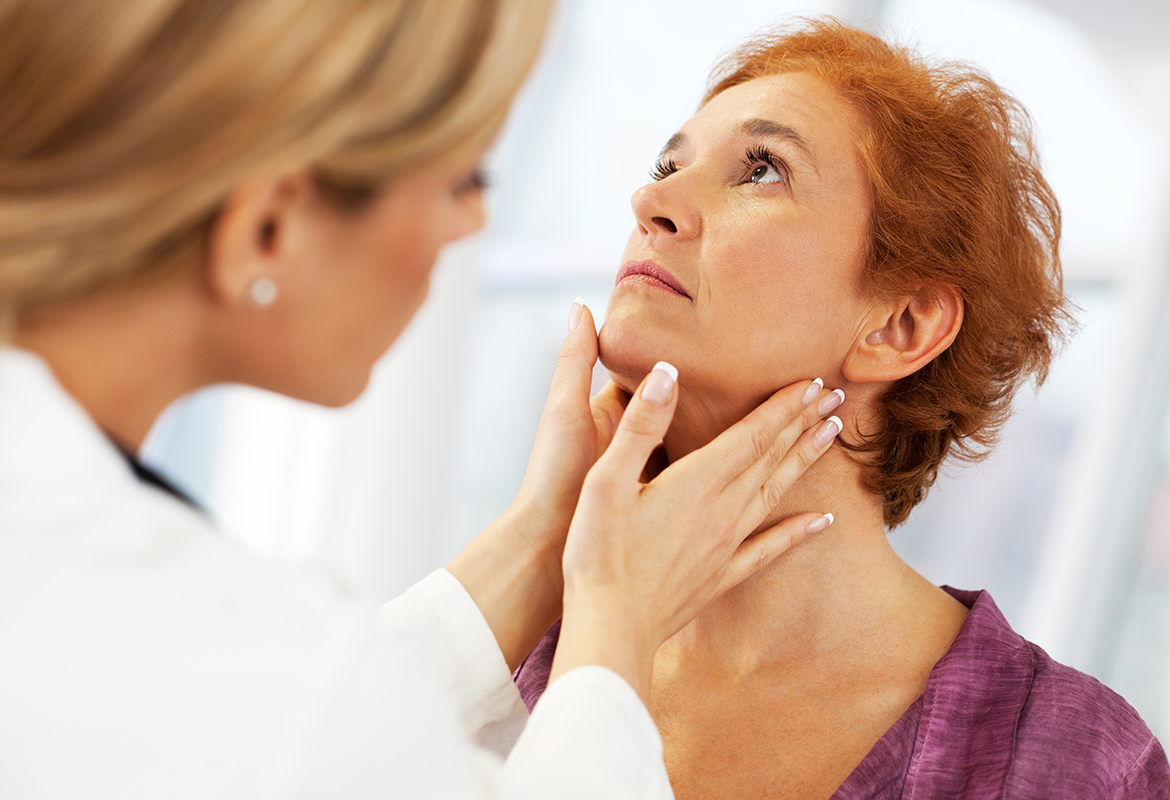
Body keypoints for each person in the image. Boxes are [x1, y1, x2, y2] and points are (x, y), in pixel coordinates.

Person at [0, 1, 848, 797]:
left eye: (761, 169)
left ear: (908, 324)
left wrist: (541, 541)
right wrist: (615, 619)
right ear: (268, 227)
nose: (472, 222)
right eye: (463, 178)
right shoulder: (256, 675)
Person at [514, 17, 1170, 799]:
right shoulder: (524, 663)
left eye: (761, 170)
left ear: (901, 327)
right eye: (668, 163)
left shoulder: (1072, 766)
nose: (650, 198)